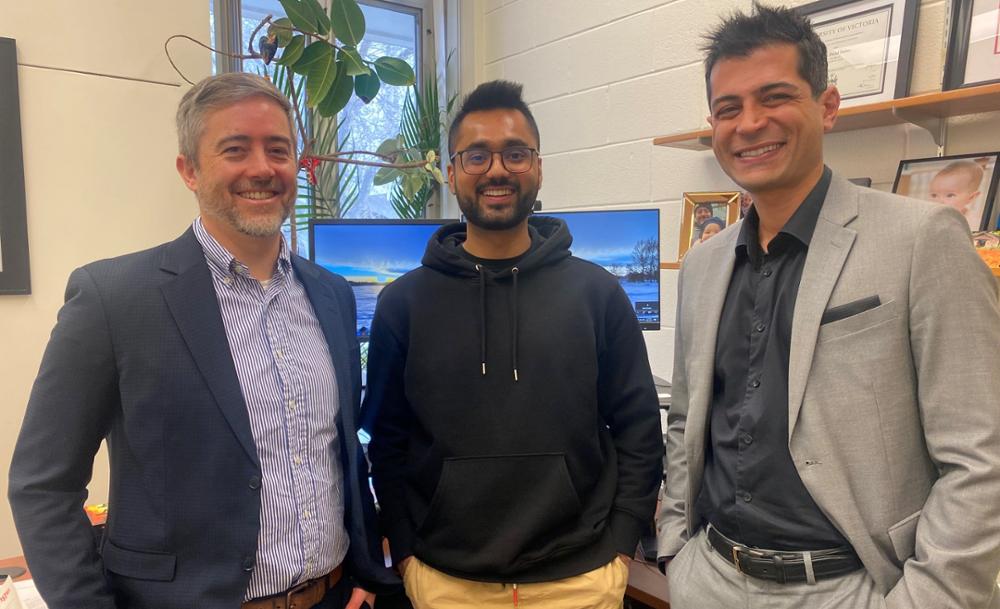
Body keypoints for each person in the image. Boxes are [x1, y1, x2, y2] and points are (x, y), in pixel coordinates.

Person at [8, 72, 397, 609]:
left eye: (277, 150)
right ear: (188, 169)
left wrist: (363, 574)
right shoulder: (114, 299)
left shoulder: (331, 295)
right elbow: (42, 485)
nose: (261, 168)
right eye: (235, 149)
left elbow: (339, 452)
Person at [657, 4, 1000, 609]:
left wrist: (930, 598)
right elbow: (688, 418)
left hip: (850, 587)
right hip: (706, 577)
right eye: (728, 108)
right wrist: (675, 549)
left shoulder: (923, 239)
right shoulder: (704, 266)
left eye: (775, 97)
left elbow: (981, 455)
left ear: (828, 106)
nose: (750, 123)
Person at [361, 80, 662, 609]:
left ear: (538, 168)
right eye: (476, 155)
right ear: (452, 172)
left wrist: (621, 544)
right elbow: (386, 440)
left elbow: (639, 430)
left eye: (515, 153)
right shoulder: (402, 304)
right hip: (446, 583)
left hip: (581, 581)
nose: (497, 170)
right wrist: (405, 548)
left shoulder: (598, 294)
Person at [927, 160, 985, 229]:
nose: (939, 202)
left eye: (950, 195)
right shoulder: (929, 218)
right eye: (934, 195)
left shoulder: (974, 222)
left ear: (971, 197)